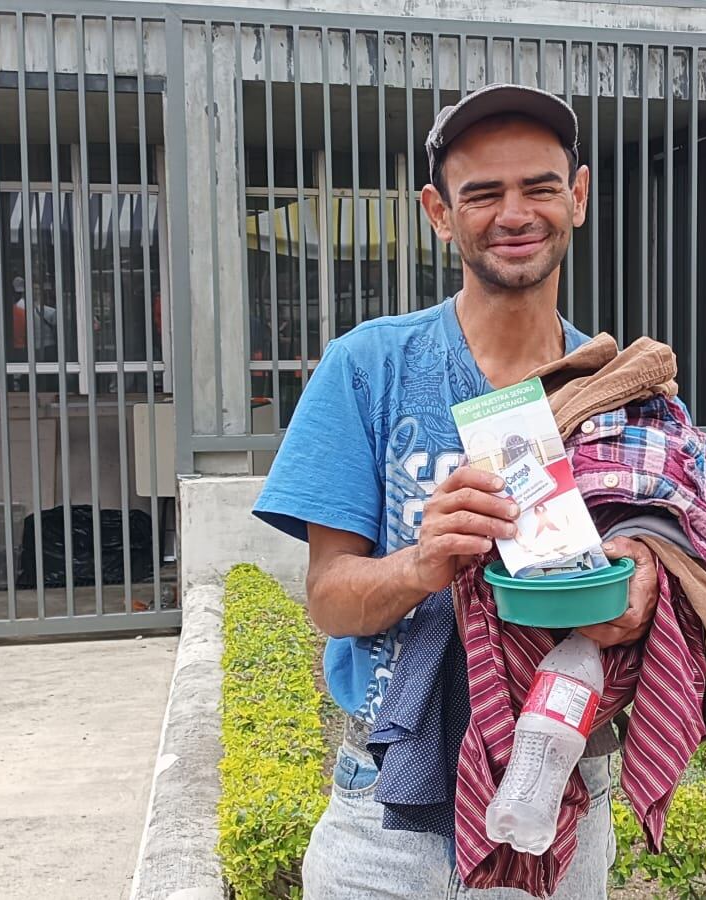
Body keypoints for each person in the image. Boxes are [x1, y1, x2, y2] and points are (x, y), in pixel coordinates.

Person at [253, 84, 661, 899]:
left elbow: (686, 552)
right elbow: (330, 601)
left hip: (559, 790)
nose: (515, 213)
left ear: (576, 197)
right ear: (440, 212)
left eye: (539, 186)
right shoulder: (367, 367)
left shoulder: (621, 386)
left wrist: (647, 591)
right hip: (386, 805)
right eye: (483, 193)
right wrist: (419, 564)